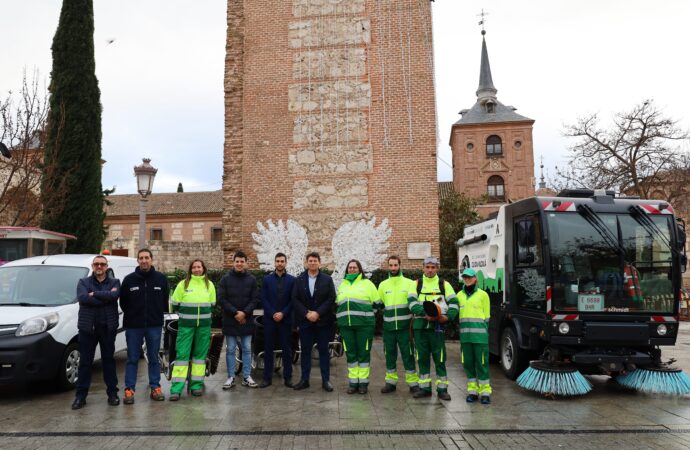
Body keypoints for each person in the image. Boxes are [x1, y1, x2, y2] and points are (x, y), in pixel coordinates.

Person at [119, 248, 170, 404]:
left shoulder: (161, 279)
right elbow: (124, 302)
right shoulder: (129, 280)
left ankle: (155, 387)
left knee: (153, 358)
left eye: (146, 257)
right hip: (134, 327)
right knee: (132, 358)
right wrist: (134, 316)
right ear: (138, 261)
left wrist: (156, 316)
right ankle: (129, 389)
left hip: (154, 325)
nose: (144, 260)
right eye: (141, 258)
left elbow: (164, 300)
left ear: (151, 259)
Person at [71, 255, 121, 410]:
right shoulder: (83, 282)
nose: (99, 266)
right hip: (88, 329)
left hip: (107, 328)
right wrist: (105, 297)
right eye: (96, 264)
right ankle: (80, 397)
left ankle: (112, 394)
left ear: (107, 267)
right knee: (85, 363)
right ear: (93, 266)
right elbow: (83, 299)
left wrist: (95, 294)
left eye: (102, 264)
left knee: (108, 361)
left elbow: (114, 296)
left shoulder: (115, 282)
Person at [407, 256, 458, 401]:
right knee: (422, 358)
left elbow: (454, 303)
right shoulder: (416, 284)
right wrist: (427, 313)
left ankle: (442, 389)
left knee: (440, 358)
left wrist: (447, 317)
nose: (430, 270)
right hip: (420, 328)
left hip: (437, 329)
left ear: (437, 268)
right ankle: (425, 388)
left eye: (433, 267)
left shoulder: (444, 284)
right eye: (427, 267)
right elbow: (411, 303)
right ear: (423, 268)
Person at [168, 259, 216, 400]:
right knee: (182, 356)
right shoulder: (183, 284)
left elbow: (212, 303)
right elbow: (175, 303)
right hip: (186, 327)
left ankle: (196, 385)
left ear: (203, 268)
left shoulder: (210, 285)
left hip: (204, 327)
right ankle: (176, 389)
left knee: (199, 358)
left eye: (199, 267)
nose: (196, 269)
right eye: (194, 267)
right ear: (190, 269)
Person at [292, 252, 336, 392]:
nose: (312, 263)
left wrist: (317, 313)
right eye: (310, 261)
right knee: (305, 352)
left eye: (315, 260)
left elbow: (331, 298)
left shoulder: (327, 279)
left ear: (319, 262)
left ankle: (326, 380)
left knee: (324, 351)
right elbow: (295, 299)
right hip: (305, 323)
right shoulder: (299, 280)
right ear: (306, 262)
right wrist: (306, 313)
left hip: (323, 322)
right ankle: (304, 380)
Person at [337, 259, 381, 394]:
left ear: (359, 269)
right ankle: (353, 382)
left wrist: (367, 316)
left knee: (363, 354)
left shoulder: (367, 284)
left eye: (354, 267)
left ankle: (363, 383)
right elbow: (338, 304)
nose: (352, 269)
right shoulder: (342, 284)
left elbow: (378, 304)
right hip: (346, 326)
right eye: (350, 267)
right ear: (347, 270)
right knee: (351, 354)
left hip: (364, 326)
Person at [377, 255, 420, 394]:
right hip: (389, 328)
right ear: (388, 266)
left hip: (405, 328)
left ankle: (413, 383)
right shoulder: (383, 285)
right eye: (391, 265)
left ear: (400, 265)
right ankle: (390, 382)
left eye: (396, 265)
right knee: (389, 355)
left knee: (408, 355)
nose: (393, 268)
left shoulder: (409, 283)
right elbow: (379, 304)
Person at [218, 250, 259, 389]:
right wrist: (236, 313)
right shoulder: (225, 279)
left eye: (242, 261)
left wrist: (244, 313)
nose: (240, 264)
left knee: (247, 349)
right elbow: (222, 299)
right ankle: (231, 377)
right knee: (230, 350)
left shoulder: (252, 279)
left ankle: (247, 376)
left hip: (246, 320)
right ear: (233, 262)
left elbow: (254, 300)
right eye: (237, 261)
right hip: (231, 320)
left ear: (246, 263)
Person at [259, 252, 296, 388]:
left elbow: (293, 300)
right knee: (268, 349)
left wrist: (283, 313)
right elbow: (263, 298)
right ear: (274, 263)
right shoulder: (267, 279)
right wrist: (274, 313)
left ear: (286, 263)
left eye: (282, 261)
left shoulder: (292, 280)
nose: (280, 263)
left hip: (285, 321)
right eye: (278, 261)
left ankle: (288, 377)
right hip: (270, 320)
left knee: (287, 349)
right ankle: (267, 378)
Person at [458, 268, 492, 404]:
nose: (467, 279)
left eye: (470, 277)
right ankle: (472, 391)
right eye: (465, 277)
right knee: (468, 365)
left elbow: (487, 318)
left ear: (475, 279)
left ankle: (485, 392)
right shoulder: (458, 295)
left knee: (482, 364)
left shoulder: (483, 295)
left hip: (480, 338)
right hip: (465, 338)